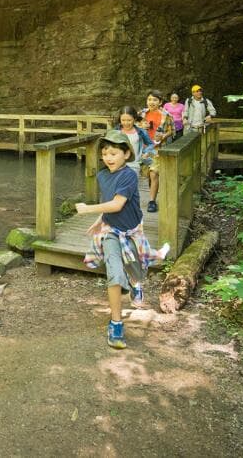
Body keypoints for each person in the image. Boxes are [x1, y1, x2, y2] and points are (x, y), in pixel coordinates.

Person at [76, 133, 170, 349]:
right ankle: (116, 324)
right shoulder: (102, 176)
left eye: (114, 153)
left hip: (133, 230)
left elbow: (118, 204)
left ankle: (136, 284)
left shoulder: (129, 176)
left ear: (126, 154)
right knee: (116, 274)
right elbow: (108, 203)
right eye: (105, 153)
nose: (108, 157)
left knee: (137, 269)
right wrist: (100, 220)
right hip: (110, 231)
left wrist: (88, 210)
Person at [140, 90, 174, 213]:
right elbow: (131, 126)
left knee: (154, 173)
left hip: (157, 149)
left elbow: (171, 131)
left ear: (160, 102)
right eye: (149, 99)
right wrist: (140, 127)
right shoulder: (141, 114)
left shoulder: (166, 115)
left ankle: (152, 201)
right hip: (143, 149)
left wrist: (163, 136)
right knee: (147, 174)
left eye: (154, 100)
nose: (151, 102)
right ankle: (151, 190)